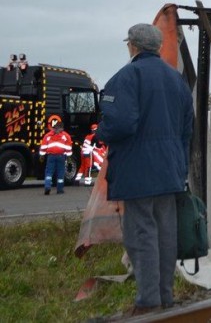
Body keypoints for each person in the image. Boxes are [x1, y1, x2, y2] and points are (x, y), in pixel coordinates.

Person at [96, 23, 194, 315]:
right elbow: (186, 130)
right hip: (170, 171)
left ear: (133, 46)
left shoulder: (126, 78)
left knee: (142, 236)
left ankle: (148, 302)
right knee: (166, 235)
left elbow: (121, 124)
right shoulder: (177, 81)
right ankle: (165, 298)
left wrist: (101, 131)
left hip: (138, 172)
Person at [39, 114, 73, 195]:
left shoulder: (47, 136)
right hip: (61, 156)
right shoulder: (66, 136)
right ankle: (60, 189)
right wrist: (69, 159)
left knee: (49, 172)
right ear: (61, 128)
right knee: (60, 172)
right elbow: (68, 148)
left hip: (51, 156)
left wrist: (42, 156)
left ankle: (47, 186)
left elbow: (43, 147)